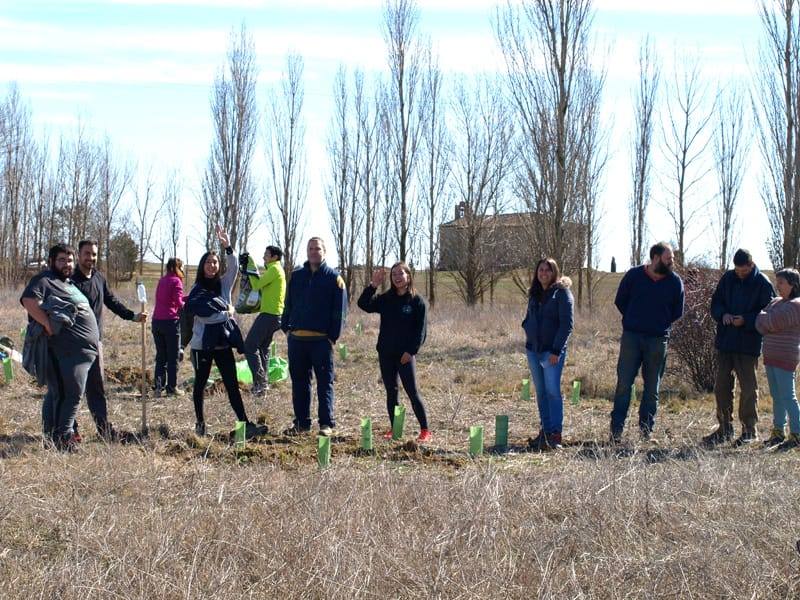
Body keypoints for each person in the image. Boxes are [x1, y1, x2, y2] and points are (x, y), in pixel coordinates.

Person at [187, 227, 265, 439]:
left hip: (222, 343)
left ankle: (245, 423)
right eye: (208, 262)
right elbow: (205, 316)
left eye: (215, 262)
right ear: (202, 266)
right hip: (202, 345)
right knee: (200, 384)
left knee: (232, 384)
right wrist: (227, 312)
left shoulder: (223, 285)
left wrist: (228, 247)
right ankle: (200, 424)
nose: (212, 265)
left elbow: (234, 267)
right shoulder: (197, 291)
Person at [20, 244, 99, 451]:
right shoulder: (45, 279)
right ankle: (64, 439)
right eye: (62, 260)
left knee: (59, 393)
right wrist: (46, 323)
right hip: (66, 351)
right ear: (52, 261)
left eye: (70, 260)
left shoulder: (68, 283)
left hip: (81, 352)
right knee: (70, 394)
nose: (67, 264)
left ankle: (51, 436)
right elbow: (28, 300)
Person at [610, 242, 685, 442]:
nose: (672, 262)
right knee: (624, 385)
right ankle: (616, 431)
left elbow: (677, 311)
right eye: (668, 258)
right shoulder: (634, 276)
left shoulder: (675, 282)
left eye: (672, 259)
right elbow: (620, 301)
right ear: (655, 258)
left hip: (658, 340)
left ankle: (646, 432)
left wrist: (658, 324)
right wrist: (635, 319)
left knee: (652, 389)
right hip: (632, 338)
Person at [72, 240, 146, 439]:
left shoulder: (98, 278)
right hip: (72, 344)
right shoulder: (70, 280)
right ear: (79, 255)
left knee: (97, 388)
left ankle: (104, 430)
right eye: (87, 254)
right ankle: (72, 430)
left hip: (96, 342)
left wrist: (132, 316)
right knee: (74, 389)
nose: (91, 258)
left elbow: (112, 302)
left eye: (94, 254)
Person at [703, 249, 775, 447]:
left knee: (749, 388)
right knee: (721, 387)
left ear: (751, 265)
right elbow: (716, 303)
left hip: (748, 343)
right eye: (737, 270)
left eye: (743, 270)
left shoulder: (763, 283)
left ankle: (749, 430)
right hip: (726, 341)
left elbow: (769, 313)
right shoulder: (728, 278)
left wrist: (747, 320)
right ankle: (724, 428)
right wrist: (723, 314)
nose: (740, 274)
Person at [357, 262, 431, 443]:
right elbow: (363, 304)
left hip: (405, 356)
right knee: (392, 391)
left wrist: (411, 351)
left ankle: (425, 430)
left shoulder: (417, 302)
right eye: (394, 274)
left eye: (401, 274)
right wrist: (373, 285)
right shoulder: (386, 299)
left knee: (412, 392)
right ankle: (395, 429)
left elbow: (420, 332)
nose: (397, 277)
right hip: (386, 353)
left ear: (408, 276)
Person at [281, 237, 347, 436]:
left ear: (324, 251)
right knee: (299, 383)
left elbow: (341, 311)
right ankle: (302, 423)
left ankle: (326, 424)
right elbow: (288, 304)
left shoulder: (334, 278)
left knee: (324, 382)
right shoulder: (297, 276)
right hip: (297, 340)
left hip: (321, 341)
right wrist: (287, 328)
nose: (313, 251)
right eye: (310, 248)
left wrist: (332, 337)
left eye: (317, 248)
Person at [522, 258, 574, 450]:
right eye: (541, 270)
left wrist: (556, 350)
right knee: (541, 393)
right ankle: (544, 431)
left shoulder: (562, 293)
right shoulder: (534, 294)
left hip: (551, 352)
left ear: (554, 273)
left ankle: (555, 434)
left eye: (548, 270)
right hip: (533, 350)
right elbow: (529, 317)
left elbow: (567, 325)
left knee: (552, 392)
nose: (543, 273)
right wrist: (526, 327)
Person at [756, 268, 800, 451]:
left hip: (785, 356)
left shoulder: (796, 305)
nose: (778, 286)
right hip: (770, 356)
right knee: (776, 396)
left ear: (793, 285)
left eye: (781, 283)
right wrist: (765, 320)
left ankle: (797, 433)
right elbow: (759, 323)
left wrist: (766, 320)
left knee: (788, 396)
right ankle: (778, 431)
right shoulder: (775, 302)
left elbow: (772, 322)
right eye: (777, 282)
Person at [243, 245, 286, 396]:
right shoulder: (275, 270)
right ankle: (263, 386)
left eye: (266, 254)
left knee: (249, 346)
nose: (263, 257)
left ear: (274, 257)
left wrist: (249, 268)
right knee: (263, 349)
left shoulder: (274, 269)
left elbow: (256, 285)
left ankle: (260, 382)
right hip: (275, 315)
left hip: (269, 315)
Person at [151, 257, 186, 397]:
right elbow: (178, 302)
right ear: (176, 267)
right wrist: (187, 305)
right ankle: (172, 388)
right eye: (181, 267)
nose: (182, 270)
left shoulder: (162, 280)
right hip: (170, 322)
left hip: (157, 322)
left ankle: (158, 388)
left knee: (161, 356)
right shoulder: (176, 281)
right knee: (173, 357)